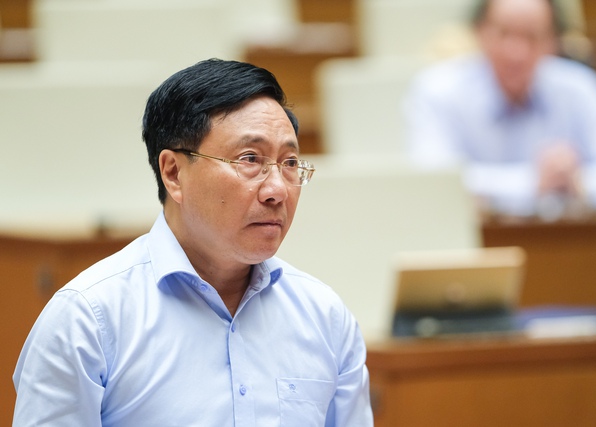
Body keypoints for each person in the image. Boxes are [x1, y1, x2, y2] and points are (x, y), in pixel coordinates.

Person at [12, 59, 374, 426]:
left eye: (290, 163)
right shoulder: (88, 320)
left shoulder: (325, 316)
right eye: (250, 159)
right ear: (173, 173)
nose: (277, 190)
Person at [405, 0, 596, 218]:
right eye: (504, 34)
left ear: (553, 42)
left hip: (567, 240)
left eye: (532, 37)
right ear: (479, 32)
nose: (517, 52)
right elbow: (435, 182)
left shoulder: (580, 86)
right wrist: (533, 183)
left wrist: (577, 180)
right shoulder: (438, 91)